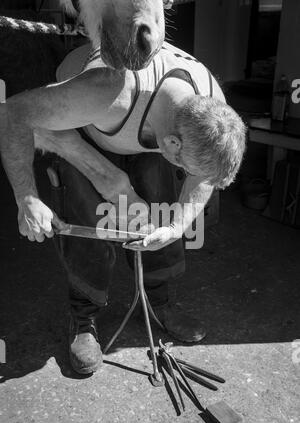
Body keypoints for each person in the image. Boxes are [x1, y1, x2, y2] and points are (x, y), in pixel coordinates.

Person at [0, 41, 246, 375]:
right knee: (89, 206)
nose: (191, 176)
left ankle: (158, 301)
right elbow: (13, 113)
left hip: (143, 123)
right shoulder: (104, 89)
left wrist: (174, 227)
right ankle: (83, 316)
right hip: (85, 122)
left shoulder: (210, 103)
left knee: (158, 200)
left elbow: (201, 178)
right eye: (186, 166)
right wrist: (27, 198)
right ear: (172, 144)